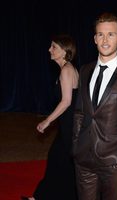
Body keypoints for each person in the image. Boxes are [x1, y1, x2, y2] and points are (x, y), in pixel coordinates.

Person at [72, 12, 117, 200]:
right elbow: (80, 112)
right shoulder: (85, 70)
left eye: (111, 34)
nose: (105, 40)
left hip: (113, 162)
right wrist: (75, 146)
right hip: (83, 159)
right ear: (95, 38)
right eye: (101, 35)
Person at [21, 34, 79, 200]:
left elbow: (66, 101)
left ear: (64, 51)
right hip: (69, 125)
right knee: (62, 163)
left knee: (58, 160)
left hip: (69, 126)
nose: (49, 49)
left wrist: (47, 121)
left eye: (53, 47)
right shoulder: (69, 69)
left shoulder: (67, 70)